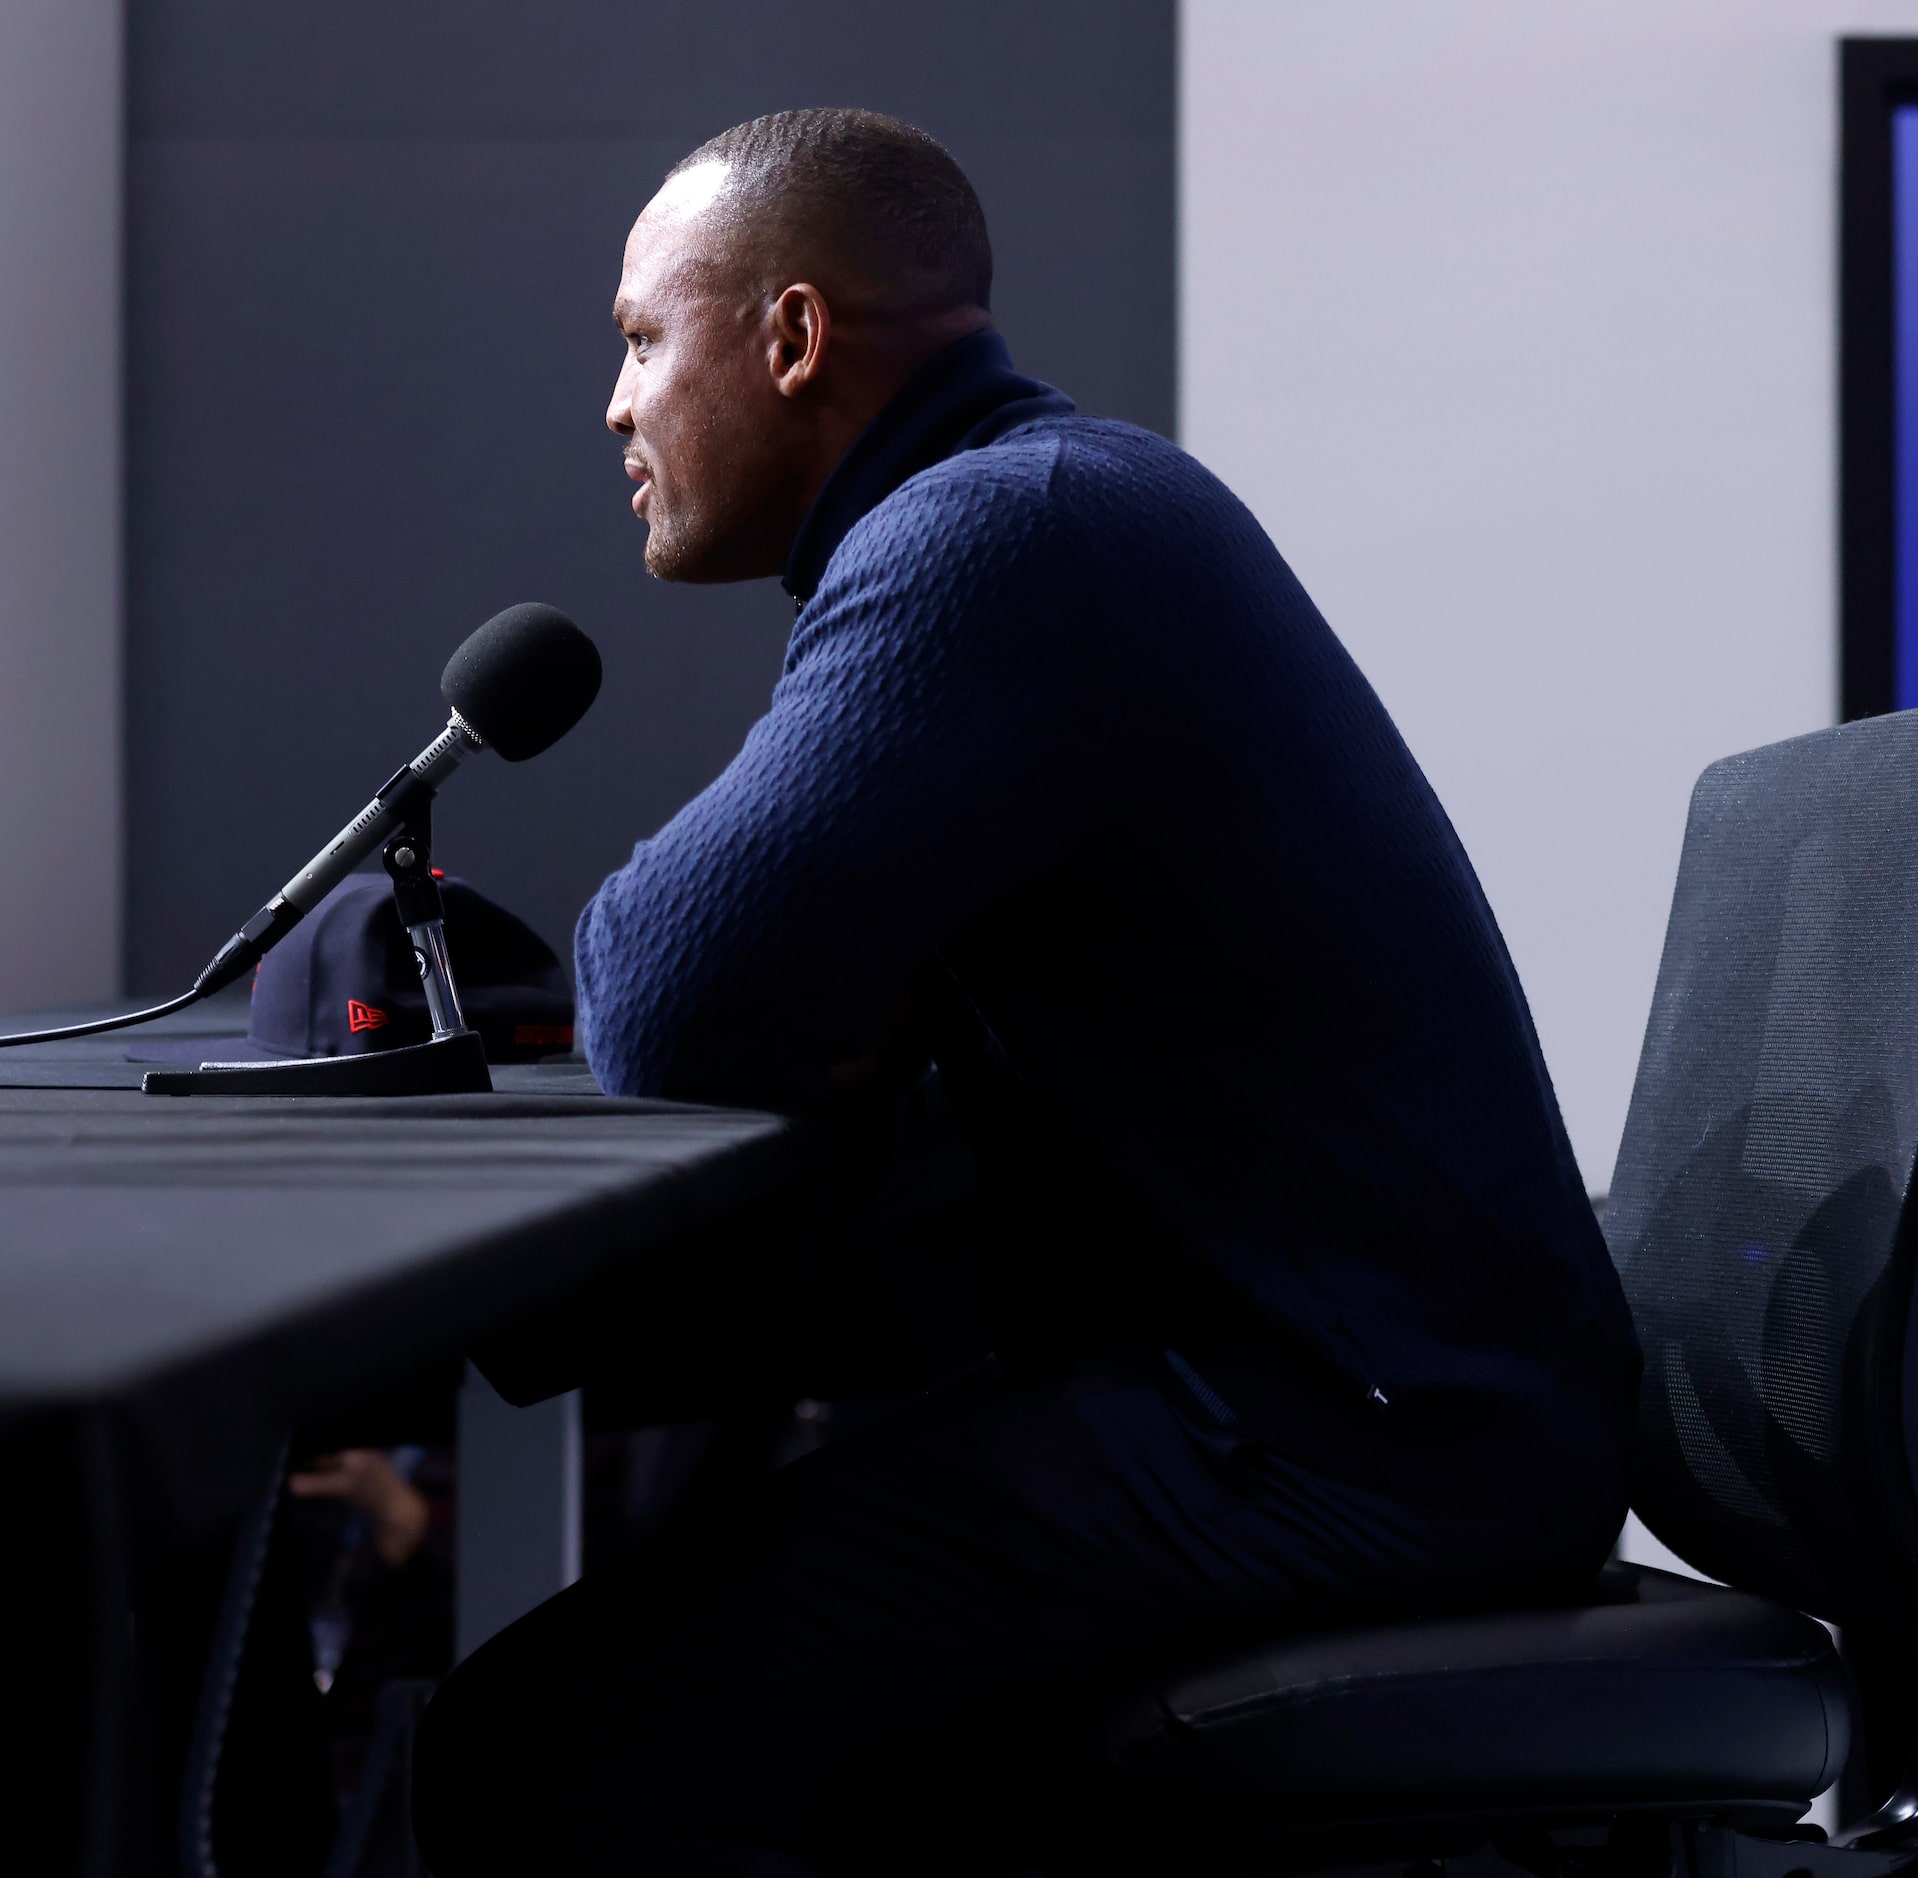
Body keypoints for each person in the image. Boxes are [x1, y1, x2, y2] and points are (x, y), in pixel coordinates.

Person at [411, 109, 1638, 1877]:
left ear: (794, 337)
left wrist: (778, 982)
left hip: (1352, 1442)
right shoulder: (1049, 507)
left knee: (548, 1743)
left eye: (640, 340)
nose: (615, 405)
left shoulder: (1005, 537)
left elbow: (673, 998)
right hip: (1374, 1403)